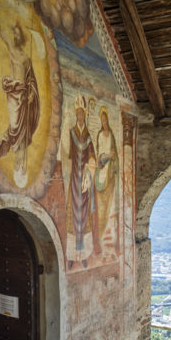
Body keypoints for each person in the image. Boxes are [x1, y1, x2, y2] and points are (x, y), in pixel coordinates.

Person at [0, 12, 40, 188]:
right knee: (14, 128)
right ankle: (7, 141)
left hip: (24, 96)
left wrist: (31, 95)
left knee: (22, 134)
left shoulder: (27, 59)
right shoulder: (12, 50)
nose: (15, 35)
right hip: (14, 96)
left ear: (21, 37)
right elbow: (1, 33)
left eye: (17, 33)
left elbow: (31, 81)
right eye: (13, 33)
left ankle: (20, 166)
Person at [66, 94, 100, 268]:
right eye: (77, 114)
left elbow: (93, 155)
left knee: (84, 215)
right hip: (74, 179)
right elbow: (68, 152)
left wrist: (90, 169)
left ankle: (84, 253)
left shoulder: (88, 136)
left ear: (84, 116)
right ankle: (72, 255)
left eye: (82, 114)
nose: (80, 117)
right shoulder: (72, 132)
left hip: (84, 180)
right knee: (73, 214)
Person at [94, 106, 120, 253]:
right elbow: (99, 155)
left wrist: (113, 158)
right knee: (101, 206)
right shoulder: (99, 135)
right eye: (101, 120)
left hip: (111, 173)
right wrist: (106, 157)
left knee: (110, 205)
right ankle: (101, 234)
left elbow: (115, 153)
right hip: (102, 172)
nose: (103, 122)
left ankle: (108, 237)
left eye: (105, 119)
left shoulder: (111, 135)